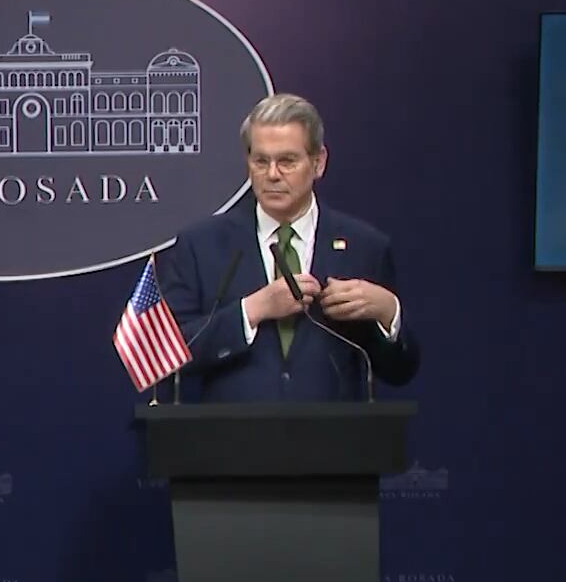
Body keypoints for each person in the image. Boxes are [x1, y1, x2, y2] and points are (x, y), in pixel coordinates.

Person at [157, 94, 419, 400]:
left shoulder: (364, 247)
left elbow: (399, 371)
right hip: (230, 441)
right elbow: (167, 355)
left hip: (336, 441)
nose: (272, 174)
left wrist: (388, 314)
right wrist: (251, 311)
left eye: (287, 161)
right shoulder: (201, 245)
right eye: (261, 161)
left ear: (318, 162)